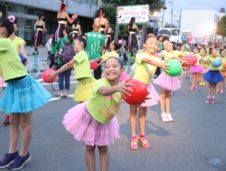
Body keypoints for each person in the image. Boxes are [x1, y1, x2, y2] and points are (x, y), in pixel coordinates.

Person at [62, 57, 131, 171]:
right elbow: (104, 91)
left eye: (114, 66)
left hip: (105, 121)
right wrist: (117, 88)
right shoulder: (100, 82)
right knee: (90, 148)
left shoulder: (122, 87)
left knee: (103, 149)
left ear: (122, 70)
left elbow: (132, 97)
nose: (110, 69)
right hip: (90, 117)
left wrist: (140, 98)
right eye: (107, 67)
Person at [0, 17, 51, 170]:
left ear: (4, 29)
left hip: (23, 83)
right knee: (13, 121)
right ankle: (11, 153)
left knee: (25, 122)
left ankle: (24, 154)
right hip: (12, 85)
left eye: (1, 26)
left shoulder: (5, 42)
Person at [129, 35, 167, 150]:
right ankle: (133, 137)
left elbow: (169, 60)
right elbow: (148, 60)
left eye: (156, 44)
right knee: (133, 111)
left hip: (146, 87)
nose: (153, 45)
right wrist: (160, 64)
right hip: (135, 86)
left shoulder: (158, 58)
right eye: (150, 43)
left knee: (143, 112)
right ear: (145, 45)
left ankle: (142, 136)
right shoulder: (140, 55)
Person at [50, 37, 95, 103]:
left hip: (87, 83)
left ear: (81, 44)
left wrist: (55, 73)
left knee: (85, 106)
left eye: (75, 43)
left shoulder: (82, 53)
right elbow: (68, 66)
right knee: (83, 105)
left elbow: (67, 65)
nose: (73, 46)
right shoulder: (79, 55)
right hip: (82, 83)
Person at [154, 40, 181, 122]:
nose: (166, 46)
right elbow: (156, 55)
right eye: (164, 45)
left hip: (172, 77)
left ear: (172, 44)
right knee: (162, 95)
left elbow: (179, 63)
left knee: (168, 96)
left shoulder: (176, 53)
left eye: (167, 44)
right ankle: (163, 113)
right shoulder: (164, 53)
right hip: (165, 76)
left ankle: (168, 113)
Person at [55, 26, 74, 98]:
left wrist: (55, 58)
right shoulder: (72, 40)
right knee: (67, 77)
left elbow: (56, 48)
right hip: (70, 61)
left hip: (61, 60)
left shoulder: (60, 39)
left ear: (65, 31)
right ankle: (66, 92)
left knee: (61, 77)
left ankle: (61, 92)